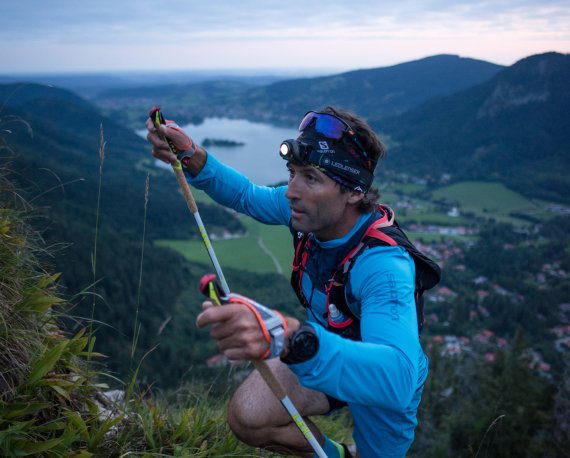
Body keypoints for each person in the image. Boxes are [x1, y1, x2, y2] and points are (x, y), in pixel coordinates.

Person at [146, 106, 440, 458]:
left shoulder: (382, 266)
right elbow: (247, 196)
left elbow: (397, 380)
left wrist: (292, 337)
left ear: (355, 192)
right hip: (318, 349)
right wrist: (192, 155)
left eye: (311, 178)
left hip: (370, 375)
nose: (291, 191)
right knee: (248, 417)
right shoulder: (307, 213)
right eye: (292, 173)